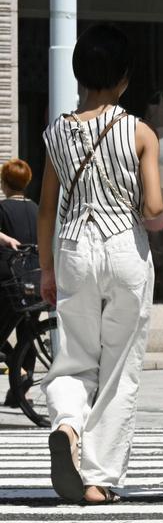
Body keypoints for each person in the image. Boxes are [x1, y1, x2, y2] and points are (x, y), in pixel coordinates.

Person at [37, 23, 163, 504]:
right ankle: (98, 479)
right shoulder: (140, 132)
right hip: (123, 248)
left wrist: (47, 270)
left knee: (73, 356)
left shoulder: (56, 133)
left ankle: (67, 427)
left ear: (78, 74)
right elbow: (151, 210)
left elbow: (46, 208)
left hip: (72, 248)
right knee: (118, 367)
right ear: (125, 77)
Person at [0, 159, 40, 407]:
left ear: (4, 183)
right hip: (33, 279)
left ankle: (20, 375)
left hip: (6, 280)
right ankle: (18, 393)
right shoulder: (36, 208)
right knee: (28, 335)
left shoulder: (2, 208)